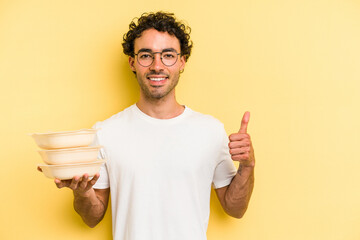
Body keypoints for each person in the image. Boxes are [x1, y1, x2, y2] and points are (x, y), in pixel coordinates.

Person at [45, 11, 255, 240]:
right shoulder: (106, 132)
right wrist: (83, 193)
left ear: (182, 61)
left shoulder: (211, 131)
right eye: (146, 55)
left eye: (168, 55)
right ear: (132, 62)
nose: (157, 65)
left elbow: (235, 209)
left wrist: (247, 165)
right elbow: (92, 217)